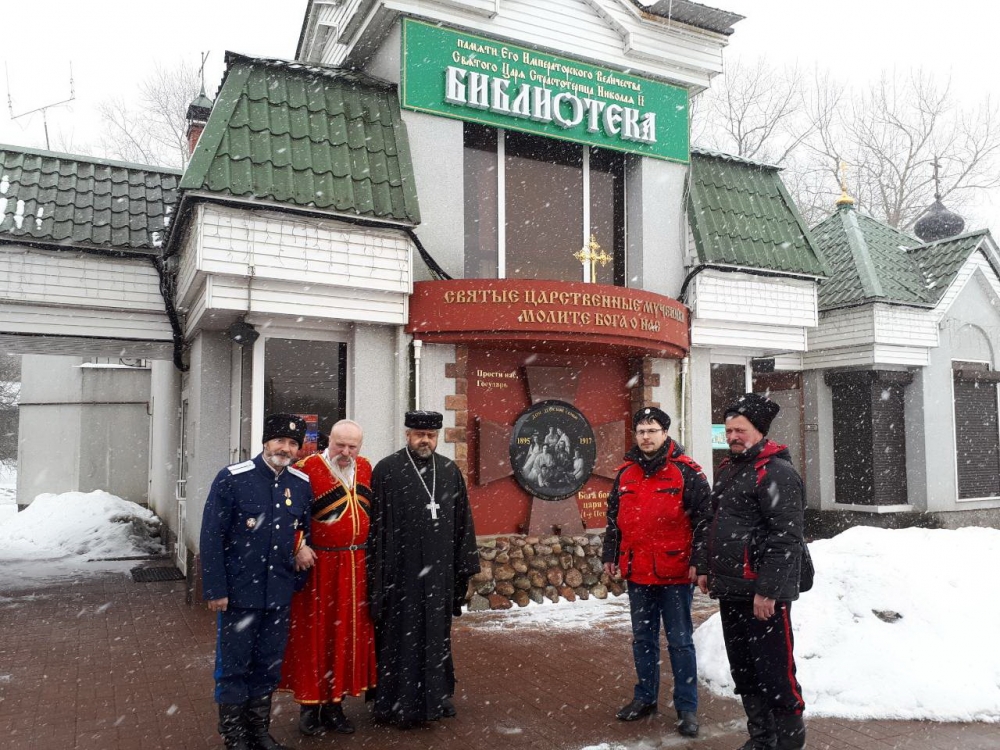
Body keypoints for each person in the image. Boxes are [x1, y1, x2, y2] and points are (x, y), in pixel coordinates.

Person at [694, 393, 807, 750]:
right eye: (728, 431)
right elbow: (711, 520)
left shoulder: (777, 473)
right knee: (744, 671)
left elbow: (786, 537)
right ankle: (761, 739)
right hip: (731, 590)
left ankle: (788, 743)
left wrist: (768, 590)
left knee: (776, 674)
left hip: (763, 595)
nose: (732, 437)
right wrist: (703, 566)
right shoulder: (729, 468)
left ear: (759, 431)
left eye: (739, 430)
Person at [200, 414, 317, 750]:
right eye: (279, 440)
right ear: (266, 442)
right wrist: (216, 589)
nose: (286, 448)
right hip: (240, 593)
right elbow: (212, 536)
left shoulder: (300, 484)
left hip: (278, 593)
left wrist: (300, 557)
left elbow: (303, 532)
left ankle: (259, 732)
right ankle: (234, 735)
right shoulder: (233, 478)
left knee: (267, 665)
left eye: (293, 443)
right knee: (234, 666)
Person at [602, 406, 711, 738]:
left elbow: (705, 520)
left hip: (674, 572)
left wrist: (700, 561)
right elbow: (613, 518)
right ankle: (645, 698)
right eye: (641, 431)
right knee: (643, 639)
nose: (646, 437)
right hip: (637, 571)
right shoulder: (625, 474)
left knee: (680, 642)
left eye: (652, 430)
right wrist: (610, 553)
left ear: (665, 433)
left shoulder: (687, 472)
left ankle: (686, 708)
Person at [368, 410, 480, 728]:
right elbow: (376, 528)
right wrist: (378, 575)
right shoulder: (387, 470)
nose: (425, 440)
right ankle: (395, 702)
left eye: (431, 435)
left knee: (436, 636)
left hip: (439, 574)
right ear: (407, 435)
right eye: (419, 434)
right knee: (399, 637)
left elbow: (463, 522)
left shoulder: (449, 471)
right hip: (400, 575)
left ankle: (436, 696)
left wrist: (464, 566)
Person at [279, 419, 375, 736]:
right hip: (319, 568)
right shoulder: (304, 470)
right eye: (339, 445)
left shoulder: (366, 468)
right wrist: (298, 545)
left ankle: (335, 706)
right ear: (328, 441)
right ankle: (310, 708)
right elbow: (286, 515)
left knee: (345, 638)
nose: (345, 452)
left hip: (357, 567)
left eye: (352, 446)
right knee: (315, 638)